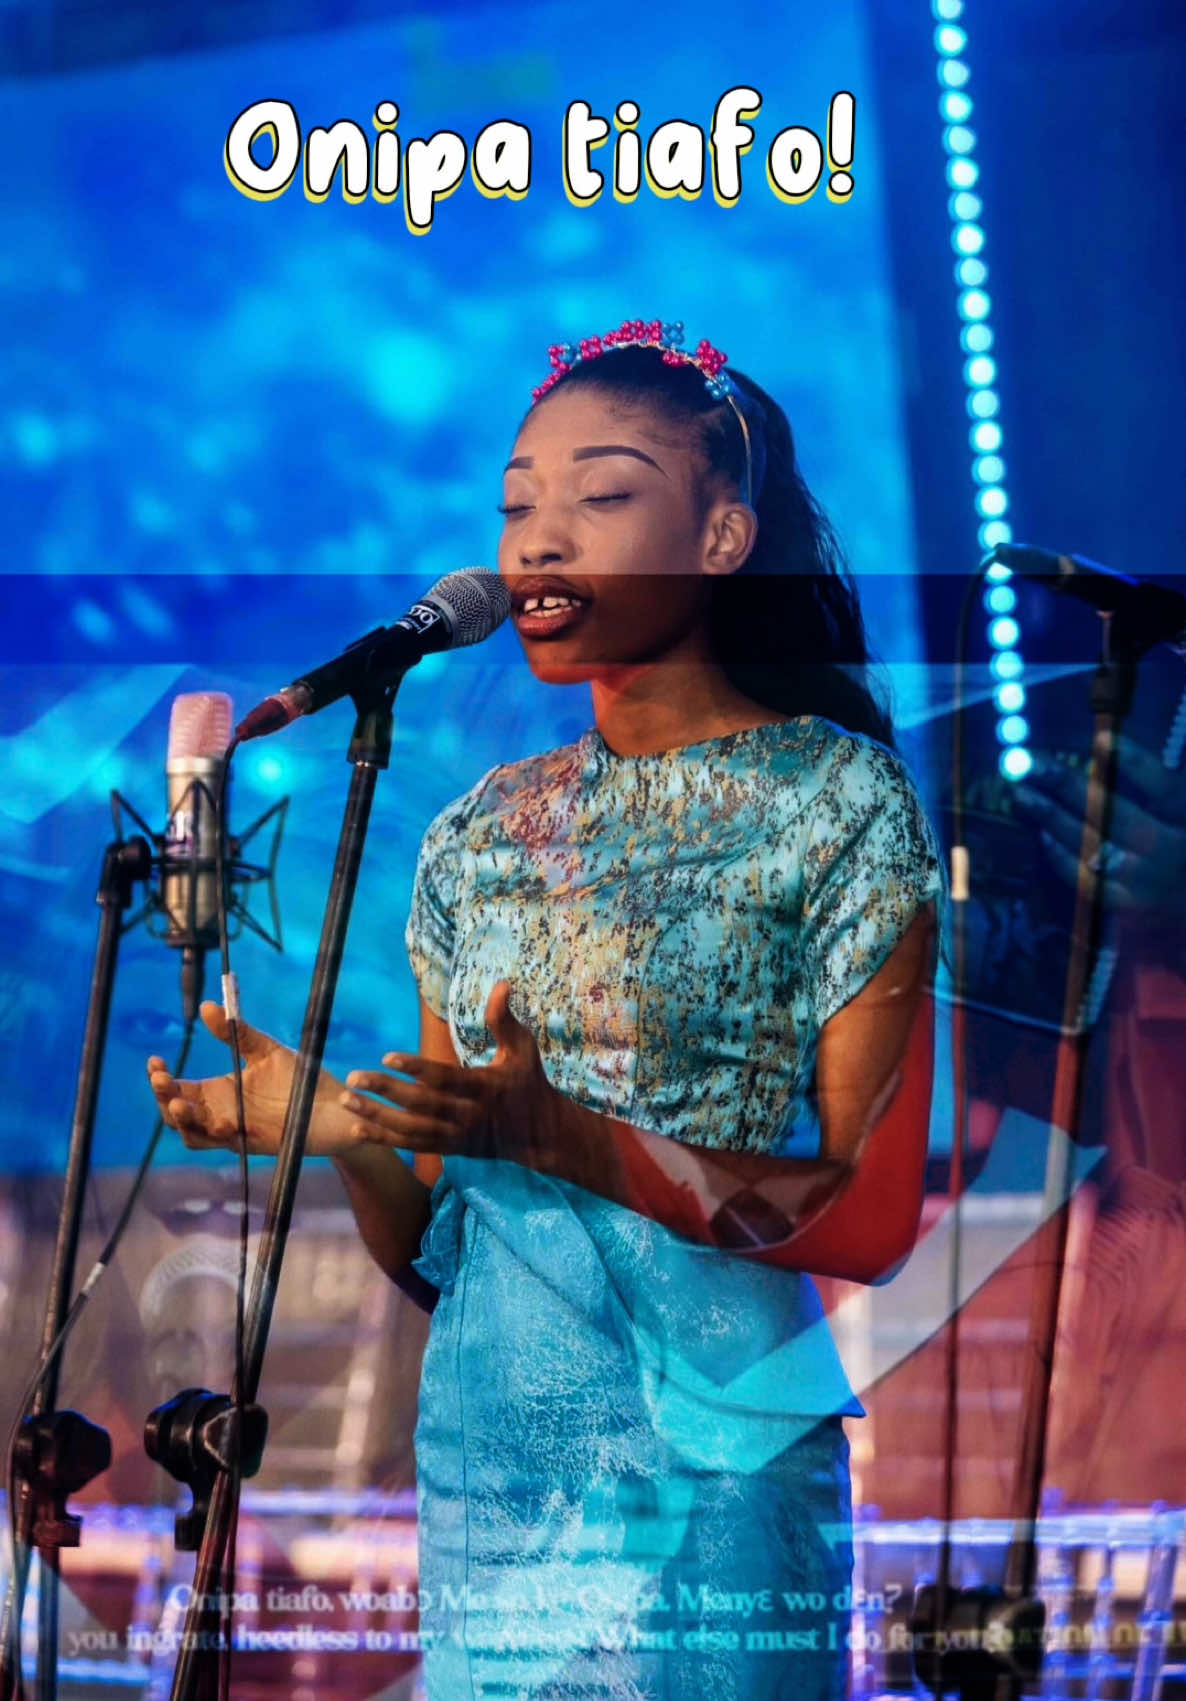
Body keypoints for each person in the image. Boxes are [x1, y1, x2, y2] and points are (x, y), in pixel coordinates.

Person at [148, 318, 942, 1700]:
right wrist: (345, 1135)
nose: (538, 541)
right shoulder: (476, 836)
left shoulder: (837, 800)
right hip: (494, 1481)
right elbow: (446, 1256)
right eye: (518, 507)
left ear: (721, 537)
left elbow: (870, 1220)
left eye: (603, 494)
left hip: (711, 1481)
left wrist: (571, 1137)